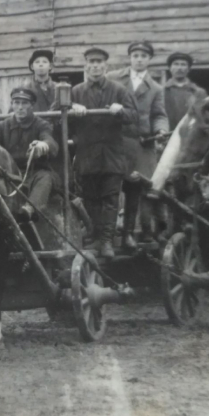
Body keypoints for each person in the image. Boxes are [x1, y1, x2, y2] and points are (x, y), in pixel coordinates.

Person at [57, 47, 136, 260]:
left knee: (110, 199)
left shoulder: (119, 90)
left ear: (105, 66)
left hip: (112, 155)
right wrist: (72, 108)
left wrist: (121, 111)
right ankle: (95, 236)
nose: (95, 66)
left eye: (99, 62)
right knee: (90, 198)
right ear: (85, 66)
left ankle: (107, 242)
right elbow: (58, 116)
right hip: (87, 155)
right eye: (91, 62)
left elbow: (133, 116)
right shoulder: (75, 92)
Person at [108, 42, 170, 249]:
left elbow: (159, 114)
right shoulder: (114, 78)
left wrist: (160, 130)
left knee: (136, 189)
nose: (139, 59)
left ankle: (129, 234)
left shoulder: (156, 88)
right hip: (116, 142)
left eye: (144, 55)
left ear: (149, 59)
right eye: (135, 55)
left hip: (142, 144)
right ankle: (107, 234)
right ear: (130, 58)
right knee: (112, 187)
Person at [0, 87, 59, 220]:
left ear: (32, 105)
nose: (20, 107)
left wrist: (43, 145)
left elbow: (50, 142)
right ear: (12, 105)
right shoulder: (1, 127)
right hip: (9, 174)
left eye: (24, 103)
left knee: (46, 177)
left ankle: (30, 210)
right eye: (16, 103)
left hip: (35, 172)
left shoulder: (41, 124)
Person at [164, 52, 207, 130]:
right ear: (170, 68)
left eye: (183, 64)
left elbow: (203, 117)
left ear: (188, 69)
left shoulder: (198, 92)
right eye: (176, 64)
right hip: (168, 136)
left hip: (190, 136)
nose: (179, 68)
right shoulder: (162, 91)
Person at [20, 49, 58, 114]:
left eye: (45, 62)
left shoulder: (58, 88)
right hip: (33, 123)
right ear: (32, 66)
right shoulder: (24, 88)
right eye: (37, 62)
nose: (41, 64)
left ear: (50, 66)